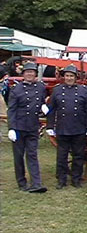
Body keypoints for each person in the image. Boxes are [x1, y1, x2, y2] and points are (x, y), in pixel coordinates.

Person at [46, 64, 87, 189]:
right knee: (62, 156)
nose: (69, 78)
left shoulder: (84, 90)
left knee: (78, 156)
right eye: (67, 76)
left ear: (76, 77)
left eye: (71, 76)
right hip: (62, 128)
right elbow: (51, 110)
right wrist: (50, 127)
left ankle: (76, 179)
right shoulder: (57, 90)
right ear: (64, 77)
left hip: (79, 128)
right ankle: (61, 180)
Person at [7, 62, 47, 193]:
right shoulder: (16, 89)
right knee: (18, 156)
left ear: (35, 74)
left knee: (32, 154)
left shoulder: (41, 87)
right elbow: (11, 110)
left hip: (32, 126)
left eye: (32, 72)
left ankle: (36, 183)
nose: (30, 74)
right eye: (27, 72)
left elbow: (40, 101)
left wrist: (43, 106)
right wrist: (11, 128)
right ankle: (21, 182)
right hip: (19, 127)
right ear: (23, 74)